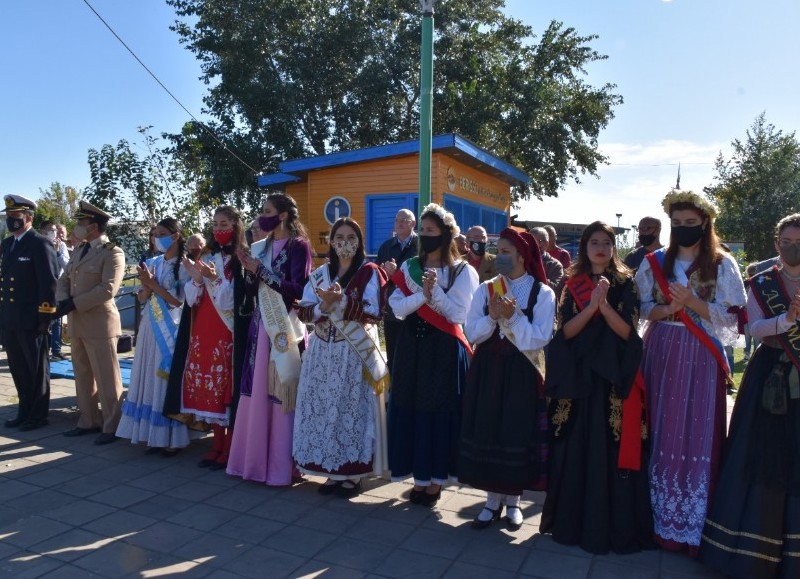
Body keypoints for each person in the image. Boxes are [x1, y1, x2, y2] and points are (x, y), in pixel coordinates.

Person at [636, 189, 746, 554]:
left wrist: (691, 303)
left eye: (690, 223)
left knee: (696, 431)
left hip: (700, 355)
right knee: (661, 427)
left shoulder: (722, 264)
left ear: (705, 224)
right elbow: (640, 308)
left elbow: (733, 323)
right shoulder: (654, 262)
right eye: (677, 223)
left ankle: (693, 523)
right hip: (663, 350)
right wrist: (668, 309)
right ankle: (653, 518)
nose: (683, 228)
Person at [540, 221, 653, 554]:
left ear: (613, 248)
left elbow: (629, 334)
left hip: (613, 381)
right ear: (584, 247)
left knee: (610, 449)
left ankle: (610, 525)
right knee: (577, 447)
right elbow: (565, 334)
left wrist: (604, 306)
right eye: (595, 242)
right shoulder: (571, 283)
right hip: (578, 380)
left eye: (607, 242)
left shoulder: (626, 283)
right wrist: (591, 308)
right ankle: (573, 522)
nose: (601, 248)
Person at [699, 213, 800, 578]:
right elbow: (752, 329)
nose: (792, 248)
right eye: (786, 242)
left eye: (798, 242)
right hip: (769, 375)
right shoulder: (761, 283)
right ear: (777, 244)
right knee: (761, 457)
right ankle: (751, 551)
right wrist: (785, 321)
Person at [460, 228, 555, 530]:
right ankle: (491, 502)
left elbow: (539, 339)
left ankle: (513, 502)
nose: (498, 256)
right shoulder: (487, 288)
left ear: (522, 255)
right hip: (488, 368)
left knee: (515, 431)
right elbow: (471, 331)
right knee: (489, 429)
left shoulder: (543, 292)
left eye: (505, 252)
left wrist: (513, 317)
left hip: (521, 372)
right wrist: (492, 317)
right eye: (497, 251)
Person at [387, 203, 479, 507]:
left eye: (431, 230)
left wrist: (434, 293)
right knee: (411, 407)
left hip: (443, 351)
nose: (425, 235)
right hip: (412, 347)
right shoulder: (409, 266)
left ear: (446, 234)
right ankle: (418, 477)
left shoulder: (462, 271)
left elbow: (458, 315)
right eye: (422, 230)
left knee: (437, 413)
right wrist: (422, 296)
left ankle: (437, 479)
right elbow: (398, 309)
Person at [293, 218, 389, 497]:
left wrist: (342, 302)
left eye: (351, 237)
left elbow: (375, 312)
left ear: (359, 242)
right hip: (323, 352)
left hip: (353, 353)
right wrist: (323, 306)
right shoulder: (320, 274)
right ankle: (332, 471)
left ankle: (353, 473)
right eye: (339, 237)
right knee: (324, 409)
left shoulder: (369, 272)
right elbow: (303, 311)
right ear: (331, 242)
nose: (345, 242)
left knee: (352, 410)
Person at [226, 194, 313, 485]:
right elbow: (253, 290)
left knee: (280, 391)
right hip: (260, 326)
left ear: (284, 215)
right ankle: (253, 461)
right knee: (258, 390)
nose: (263, 216)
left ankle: (280, 467)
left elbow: (297, 289)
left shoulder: (299, 246)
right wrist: (247, 271)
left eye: (268, 211)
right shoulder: (259, 247)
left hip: (285, 326)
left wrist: (259, 270)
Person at [164, 206, 251, 469]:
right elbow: (192, 299)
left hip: (227, 330)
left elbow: (234, 301)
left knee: (226, 387)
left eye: (223, 224)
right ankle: (216, 445)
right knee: (208, 386)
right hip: (203, 328)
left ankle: (229, 447)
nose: (217, 229)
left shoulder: (243, 257)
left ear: (236, 225)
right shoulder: (210, 255)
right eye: (214, 224)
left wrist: (213, 280)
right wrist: (197, 280)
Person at [115, 218, 191, 454]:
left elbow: (179, 301)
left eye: (161, 233)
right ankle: (151, 434)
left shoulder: (185, 266)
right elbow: (140, 298)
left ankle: (170, 435)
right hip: (150, 325)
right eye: (154, 234)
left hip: (172, 328)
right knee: (148, 376)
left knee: (164, 379)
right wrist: (147, 287)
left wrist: (154, 285)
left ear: (175, 236)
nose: (156, 238)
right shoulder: (153, 262)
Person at [56, 201, 126, 445]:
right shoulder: (80, 249)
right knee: (83, 375)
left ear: (94, 226)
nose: (76, 227)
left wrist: (74, 302)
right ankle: (88, 420)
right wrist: (64, 301)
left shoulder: (112, 252)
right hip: (78, 321)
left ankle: (112, 425)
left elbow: (108, 289)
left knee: (107, 377)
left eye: (81, 223)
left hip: (99, 323)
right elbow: (64, 279)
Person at [0, 195, 59, 431]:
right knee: (18, 368)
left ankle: (38, 415)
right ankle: (24, 410)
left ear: (29, 218)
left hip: (32, 319)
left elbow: (49, 285)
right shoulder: (7, 244)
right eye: (9, 216)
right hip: (10, 319)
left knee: (35, 370)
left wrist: (45, 319)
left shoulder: (39, 243)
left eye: (16, 216)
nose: (12, 220)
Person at [376, 209, 418, 372]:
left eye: (404, 220)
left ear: (413, 224)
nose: (399, 223)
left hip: (415, 308)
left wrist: (398, 272)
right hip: (391, 310)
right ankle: (393, 393)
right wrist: (384, 271)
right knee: (393, 354)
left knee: (411, 355)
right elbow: (378, 275)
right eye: (397, 220)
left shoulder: (420, 246)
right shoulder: (386, 247)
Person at [40, 220, 70, 360]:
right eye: (50, 230)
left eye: (55, 231)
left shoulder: (62, 245)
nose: (54, 233)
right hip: (42, 288)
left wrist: (57, 252)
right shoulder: (38, 244)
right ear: (43, 231)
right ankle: (43, 349)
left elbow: (67, 264)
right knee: (44, 319)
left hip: (57, 287)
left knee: (57, 320)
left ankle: (56, 350)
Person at [530, 227, 564, 296]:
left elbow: (556, 289)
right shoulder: (520, 260)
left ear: (546, 243)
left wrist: (538, 275)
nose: (534, 244)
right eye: (531, 241)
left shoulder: (555, 265)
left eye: (538, 241)